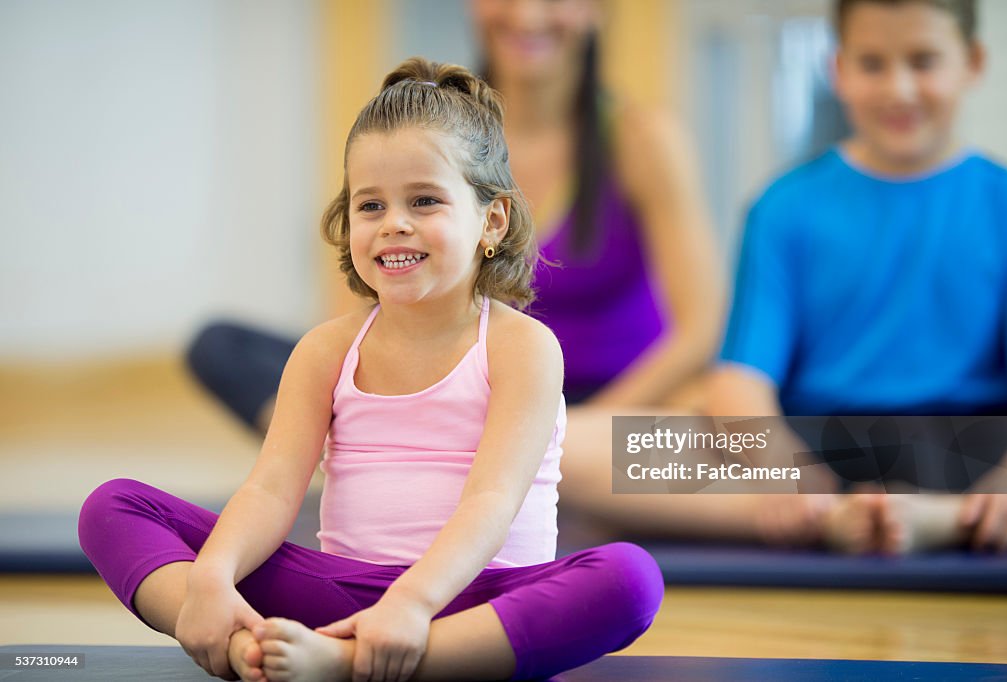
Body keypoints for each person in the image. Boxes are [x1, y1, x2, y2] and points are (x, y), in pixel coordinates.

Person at [79, 58, 664, 682]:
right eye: (371, 205)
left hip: (477, 598)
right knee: (112, 506)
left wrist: (411, 604)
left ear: (491, 221)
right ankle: (242, 641)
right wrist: (211, 579)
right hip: (340, 594)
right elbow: (272, 489)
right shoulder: (325, 350)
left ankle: (351, 663)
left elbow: (491, 502)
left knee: (630, 579)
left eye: (425, 200)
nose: (394, 224)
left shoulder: (524, 347)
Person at [186, 0, 724, 433]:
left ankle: (455, 461)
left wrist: (567, 429)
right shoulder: (430, 141)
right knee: (221, 347)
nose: (527, 14)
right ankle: (337, 448)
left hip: (602, 409)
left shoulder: (643, 141)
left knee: (753, 443)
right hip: (466, 400)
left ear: (595, 9)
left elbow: (699, 328)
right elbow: (360, 302)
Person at [706, 0, 1007, 554]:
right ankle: (898, 520)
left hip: (976, 448)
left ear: (972, 62)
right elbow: (739, 385)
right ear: (839, 69)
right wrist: (792, 476)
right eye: (873, 64)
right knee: (599, 451)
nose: (898, 89)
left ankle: (933, 517)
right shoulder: (784, 205)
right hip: (817, 446)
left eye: (923, 61)